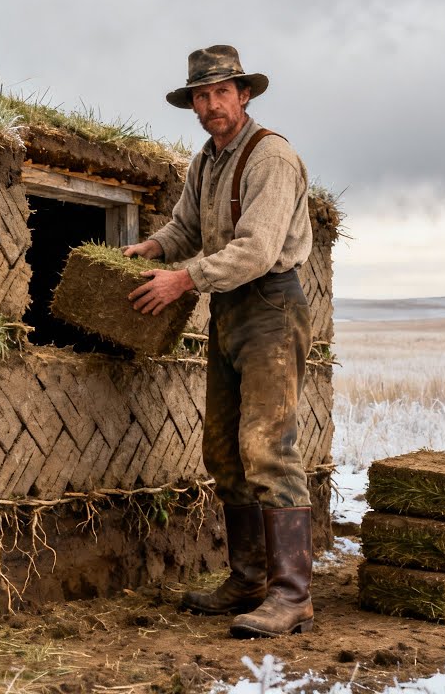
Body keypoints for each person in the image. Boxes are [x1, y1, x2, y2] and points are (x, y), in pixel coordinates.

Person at [123, 44, 314, 639]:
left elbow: (257, 251)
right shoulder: (205, 162)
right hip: (229, 309)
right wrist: (150, 250)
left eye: (220, 94)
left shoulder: (271, 158)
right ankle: (249, 580)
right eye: (200, 97)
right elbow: (186, 228)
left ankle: (292, 596)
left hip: (272, 307)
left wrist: (184, 278)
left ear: (244, 94)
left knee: (267, 450)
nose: (210, 106)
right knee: (223, 453)